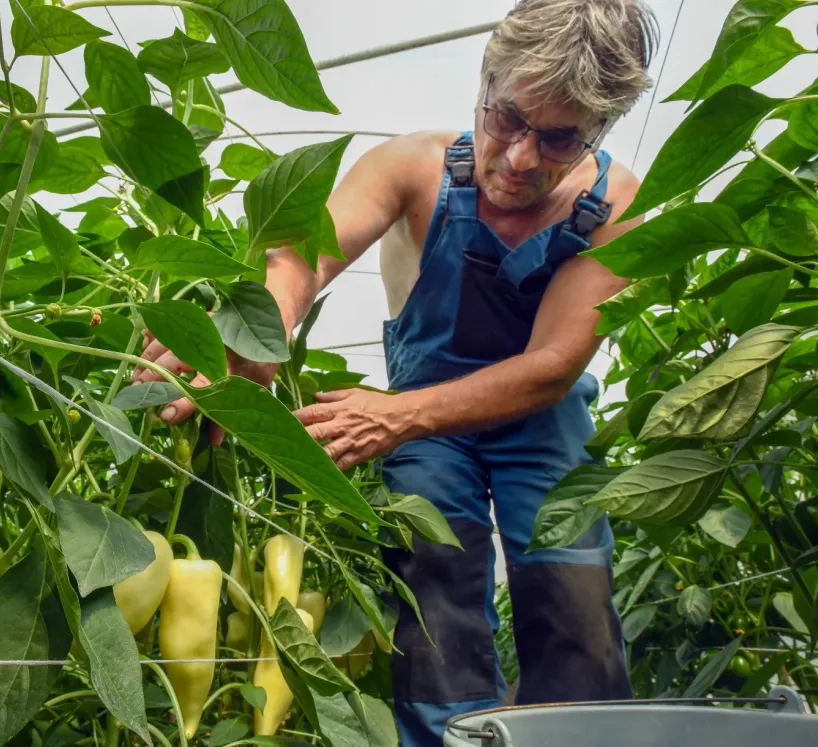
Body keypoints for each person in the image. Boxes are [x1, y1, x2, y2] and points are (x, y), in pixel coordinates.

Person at [131, 0, 660, 742]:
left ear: (599, 129)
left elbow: (549, 367)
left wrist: (393, 415)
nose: (519, 158)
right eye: (508, 118)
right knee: (433, 579)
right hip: (425, 428)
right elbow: (305, 253)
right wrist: (264, 325)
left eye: (558, 138)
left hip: (536, 418)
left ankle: (584, 735)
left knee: (572, 592)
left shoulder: (612, 206)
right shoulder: (413, 167)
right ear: (484, 82)